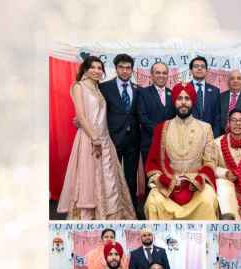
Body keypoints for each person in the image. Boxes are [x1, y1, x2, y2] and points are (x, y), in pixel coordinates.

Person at [57, 56, 135, 220]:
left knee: (109, 178)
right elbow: (81, 115)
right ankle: (91, 214)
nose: (97, 70)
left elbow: (101, 114)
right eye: (93, 67)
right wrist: (94, 138)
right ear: (85, 69)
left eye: (100, 68)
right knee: (89, 178)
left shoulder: (98, 88)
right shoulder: (79, 87)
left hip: (105, 139)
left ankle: (109, 213)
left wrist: (100, 138)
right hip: (89, 138)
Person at [143, 82, 219, 220]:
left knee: (208, 200)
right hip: (169, 182)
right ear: (174, 102)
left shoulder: (205, 128)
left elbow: (210, 162)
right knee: (152, 202)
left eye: (187, 99)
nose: (183, 103)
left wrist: (198, 180)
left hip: (196, 184)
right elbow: (153, 163)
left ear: (193, 102)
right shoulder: (162, 128)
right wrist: (164, 179)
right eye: (179, 99)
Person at [98, 53, 142, 215]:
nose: (125, 71)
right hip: (112, 139)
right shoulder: (104, 87)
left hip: (133, 141)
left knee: (131, 178)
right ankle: (112, 210)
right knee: (111, 177)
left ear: (132, 70)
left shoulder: (138, 90)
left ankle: (131, 211)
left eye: (128, 68)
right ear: (116, 69)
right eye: (121, 67)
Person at [137, 62, 175, 170]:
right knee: (151, 179)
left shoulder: (172, 94)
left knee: (168, 177)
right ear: (152, 75)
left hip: (169, 146)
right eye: (158, 73)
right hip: (150, 144)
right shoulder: (143, 93)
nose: (161, 76)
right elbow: (142, 117)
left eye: (164, 73)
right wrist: (160, 132)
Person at [189, 55, 222, 137]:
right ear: (190, 71)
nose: (199, 68)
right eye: (196, 66)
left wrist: (214, 137)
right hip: (188, 136)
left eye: (202, 67)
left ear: (207, 71)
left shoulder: (215, 91)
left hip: (209, 137)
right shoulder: (184, 89)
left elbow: (217, 117)